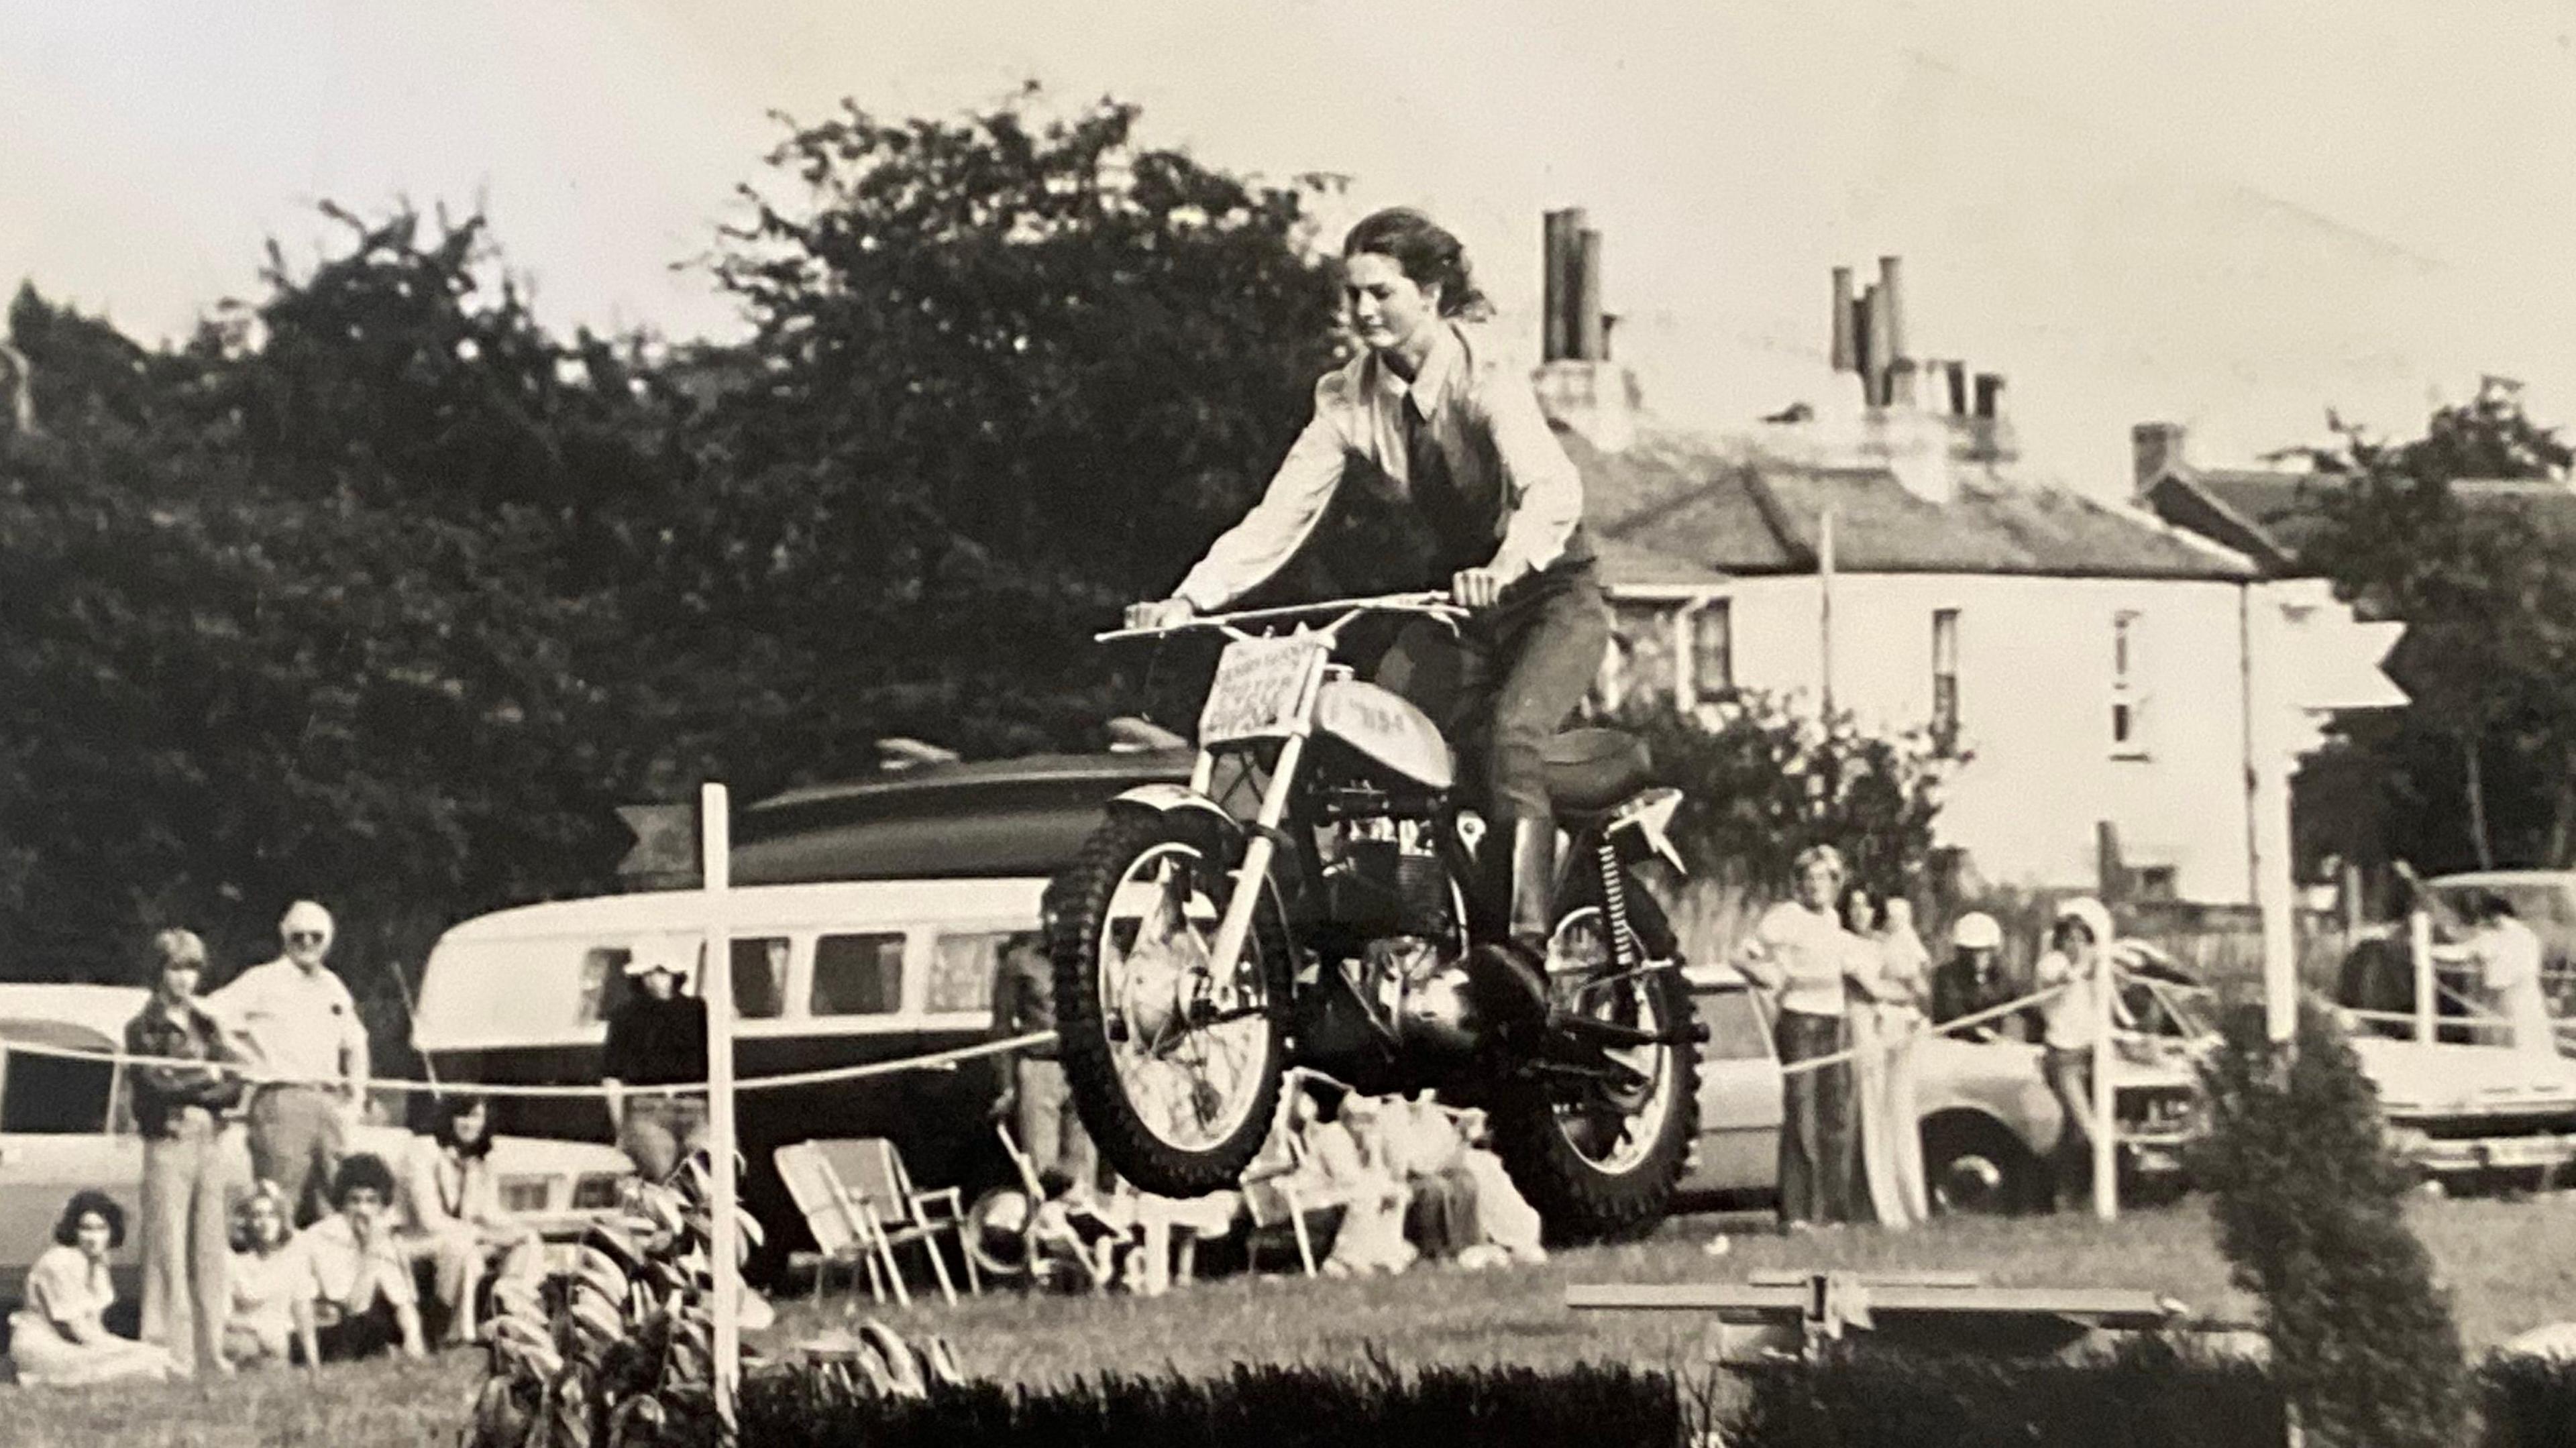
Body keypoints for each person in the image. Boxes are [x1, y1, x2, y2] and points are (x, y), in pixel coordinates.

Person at [1125, 208, 1608, 974]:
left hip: (1550, 594)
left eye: (1381, 292)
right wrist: (1188, 601)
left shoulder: (1485, 374)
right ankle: (1407, 929)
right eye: (1352, 295)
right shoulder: (1348, 399)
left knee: (1514, 737)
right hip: (1456, 609)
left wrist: (1508, 565)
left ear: (1432, 290)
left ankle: (1523, 953)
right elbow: (1278, 518)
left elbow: (1552, 488)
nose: (1362, 312)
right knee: (1373, 739)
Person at [124, 926, 250, 1377]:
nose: (184, 979)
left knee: (209, 1246)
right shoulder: (142, 1027)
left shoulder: (206, 1022)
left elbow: (236, 1082)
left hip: (209, 1140)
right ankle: (170, 1352)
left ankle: (210, 1349)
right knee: (168, 1247)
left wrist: (199, 1086)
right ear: (159, 972)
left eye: (192, 968)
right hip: (168, 1138)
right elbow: (156, 1086)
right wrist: (206, 1081)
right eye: (175, 968)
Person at [205, 899, 370, 1227]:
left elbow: (357, 1044)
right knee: (279, 1203)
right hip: (281, 1101)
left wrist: (356, 1099)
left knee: (336, 1201)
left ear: (328, 940)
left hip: (329, 1102)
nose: (307, 943)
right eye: (299, 936)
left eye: (316, 936)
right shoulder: (262, 980)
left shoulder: (333, 986)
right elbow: (209, 1015)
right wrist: (243, 1058)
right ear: (285, 937)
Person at [1735, 845, 1866, 1230]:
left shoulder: (1834, 922)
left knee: (1837, 1118)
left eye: (1823, 879)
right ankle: (1796, 1214)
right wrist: (1770, 978)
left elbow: (1856, 971)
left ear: (1835, 884)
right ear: (1799, 884)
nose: (1815, 886)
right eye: (1808, 879)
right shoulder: (1785, 917)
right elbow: (1742, 957)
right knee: (1801, 1117)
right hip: (1800, 1023)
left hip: (1835, 1022)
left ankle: (1834, 1214)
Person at [398, 1095, 543, 1347]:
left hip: (456, 1237)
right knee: (464, 1247)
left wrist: (517, 1229)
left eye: (477, 1117)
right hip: (414, 1238)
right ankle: (456, 1334)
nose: (470, 1124)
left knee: (527, 1240)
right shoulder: (422, 1151)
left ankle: (511, 1312)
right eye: (463, 1115)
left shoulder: (479, 1158)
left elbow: (488, 1211)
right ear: (448, 1118)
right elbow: (428, 1219)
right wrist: (483, 1234)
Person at [7, 1190, 180, 1386]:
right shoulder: (60, 1262)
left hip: (77, 1345)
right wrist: (129, 1348)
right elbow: (79, 1332)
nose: (93, 1237)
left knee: (153, 1357)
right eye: (86, 1229)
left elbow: (94, 1328)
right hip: (45, 1347)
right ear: (73, 1230)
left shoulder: (97, 1263)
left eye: (101, 1229)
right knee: (148, 1360)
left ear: (111, 1231)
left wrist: (131, 1348)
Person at [1847, 895, 1932, 1229]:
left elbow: (1914, 990)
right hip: (1855, 1030)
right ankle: (1867, 1203)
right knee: (1864, 1115)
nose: (1859, 913)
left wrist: (1878, 990)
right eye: (1853, 906)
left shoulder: (1889, 944)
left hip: (1887, 1031)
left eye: (1865, 906)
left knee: (1893, 1115)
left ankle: (1903, 1201)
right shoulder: (1844, 943)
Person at [991, 932, 1095, 1201]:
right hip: (1040, 1067)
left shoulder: (1091, 956)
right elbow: (1001, 1026)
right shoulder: (1020, 962)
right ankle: (1046, 1232)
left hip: (1083, 1067)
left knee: (1081, 1168)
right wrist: (1006, 1084)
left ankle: (1084, 1235)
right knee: (1042, 1169)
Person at [301, 1153, 427, 1361]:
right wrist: (370, 1252)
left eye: (371, 1201)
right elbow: (350, 1305)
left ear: (381, 1205)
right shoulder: (322, 1237)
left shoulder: (383, 1235)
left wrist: (414, 1339)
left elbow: (403, 1299)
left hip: (366, 1321)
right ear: (342, 1203)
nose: (363, 1210)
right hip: (330, 1326)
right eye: (354, 1201)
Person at [600, 947, 709, 1182]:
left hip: (695, 1106)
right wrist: (621, 1129)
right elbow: (612, 1075)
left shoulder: (699, 1010)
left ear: (675, 975)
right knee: (665, 1180)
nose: (654, 979)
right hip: (648, 1109)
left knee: (708, 1176)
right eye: (647, 973)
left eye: (661, 971)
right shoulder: (625, 1016)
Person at [2034, 897, 2114, 1213]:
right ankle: (2066, 1195)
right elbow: (2061, 976)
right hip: (2064, 1056)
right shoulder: (2052, 963)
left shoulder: (2096, 970)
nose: (2076, 946)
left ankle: (2075, 1196)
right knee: (2085, 1127)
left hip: (2093, 1054)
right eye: (2070, 939)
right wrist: (2088, 963)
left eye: (2083, 940)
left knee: (2078, 1131)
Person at [2433, 892, 2558, 1057]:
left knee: (2513, 1040)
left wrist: (2429, 950)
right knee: (2532, 1040)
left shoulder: (2495, 937)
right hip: (2527, 993)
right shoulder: (2528, 936)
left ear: (2495, 917)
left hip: (2511, 995)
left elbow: (2462, 952)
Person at [1308, 1091, 1415, 1277]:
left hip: (1343, 1193)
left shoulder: (1364, 1142)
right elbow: (1348, 1178)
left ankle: (1386, 1252)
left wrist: (1375, 1153)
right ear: (1346, 1117)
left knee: (1399, 1193)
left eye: (1370, 1120)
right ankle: (1346, 1257)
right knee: (1369, 1194)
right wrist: (1374, 1158)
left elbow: (1384, 1176)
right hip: (1316, 1194)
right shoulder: (1333, 1135)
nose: (1364, 1126)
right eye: (1359, 1119)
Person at [223, 1180, 320, 1372]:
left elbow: (304, 1317)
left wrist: (314, 1365)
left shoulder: (293, 1261)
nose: (265, 1223)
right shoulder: (232, 1262)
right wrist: (258, 1330)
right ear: (246, 1222)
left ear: (281, 1219)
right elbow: (223, 1318)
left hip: (278, 1348)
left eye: (272, 1215)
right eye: (257, 1216)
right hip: (240, 1343)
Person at [1931, 912, 2031, 1041]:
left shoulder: (2000, 978)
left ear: (1994, 951)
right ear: (1960, 952)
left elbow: (2024, 1003)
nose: (1977, 958)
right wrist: (1979, 1032)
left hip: (1988, 1052)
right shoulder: (1946, 976)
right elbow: (1953, 1013)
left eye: (1984, 951)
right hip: (1952, 1049)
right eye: (1970, 952)